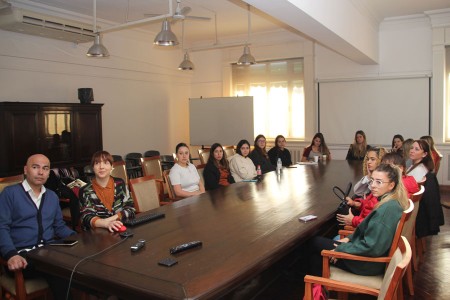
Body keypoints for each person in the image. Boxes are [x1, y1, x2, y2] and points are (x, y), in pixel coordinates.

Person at [309, 164, 409, 276]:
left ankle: (316, 286)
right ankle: (318, 287)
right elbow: (369, 232)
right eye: (372, 181)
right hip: (366, 254)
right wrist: (348, 239)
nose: (373, 186)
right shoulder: (391, 202)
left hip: (366, 263)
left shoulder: (386, 210)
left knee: (314, 243)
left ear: (391, 185)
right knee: (316, 246)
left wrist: (342, 249)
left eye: (379, 182)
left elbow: (372, 247)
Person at [0, 154, 76, 299]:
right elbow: (1, 227)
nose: (40, 172)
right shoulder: (10, 194)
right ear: (26, 170)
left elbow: (59, 226)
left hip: (48, 252)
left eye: (45, 168)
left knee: (80, 265)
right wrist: (11, 254)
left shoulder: (52, 196)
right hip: (21, 256)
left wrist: (78, 238)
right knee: (60, 271)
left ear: (49, 173)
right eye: (35, 167)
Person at [337, 152, 419, 228]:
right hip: (365, 223)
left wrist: (353, 220)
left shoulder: (393, 190)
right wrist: (356, 203)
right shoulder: (401, 184)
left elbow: (377, 224)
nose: (383, 170)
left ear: (400, 169)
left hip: (365, 229)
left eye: (388, 167)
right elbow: (370, 205)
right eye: (383, 166)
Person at [79, 151, 135, 231]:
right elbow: (86, 217)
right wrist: (106, 224)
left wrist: (110, 220)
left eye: (106, 163)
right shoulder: (85, 190)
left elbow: (130, 209)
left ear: (112, 166)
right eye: (97, 163)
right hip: (97, 235)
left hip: (121, 229)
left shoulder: (120, 183)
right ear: (93, 167)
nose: (101, 167)